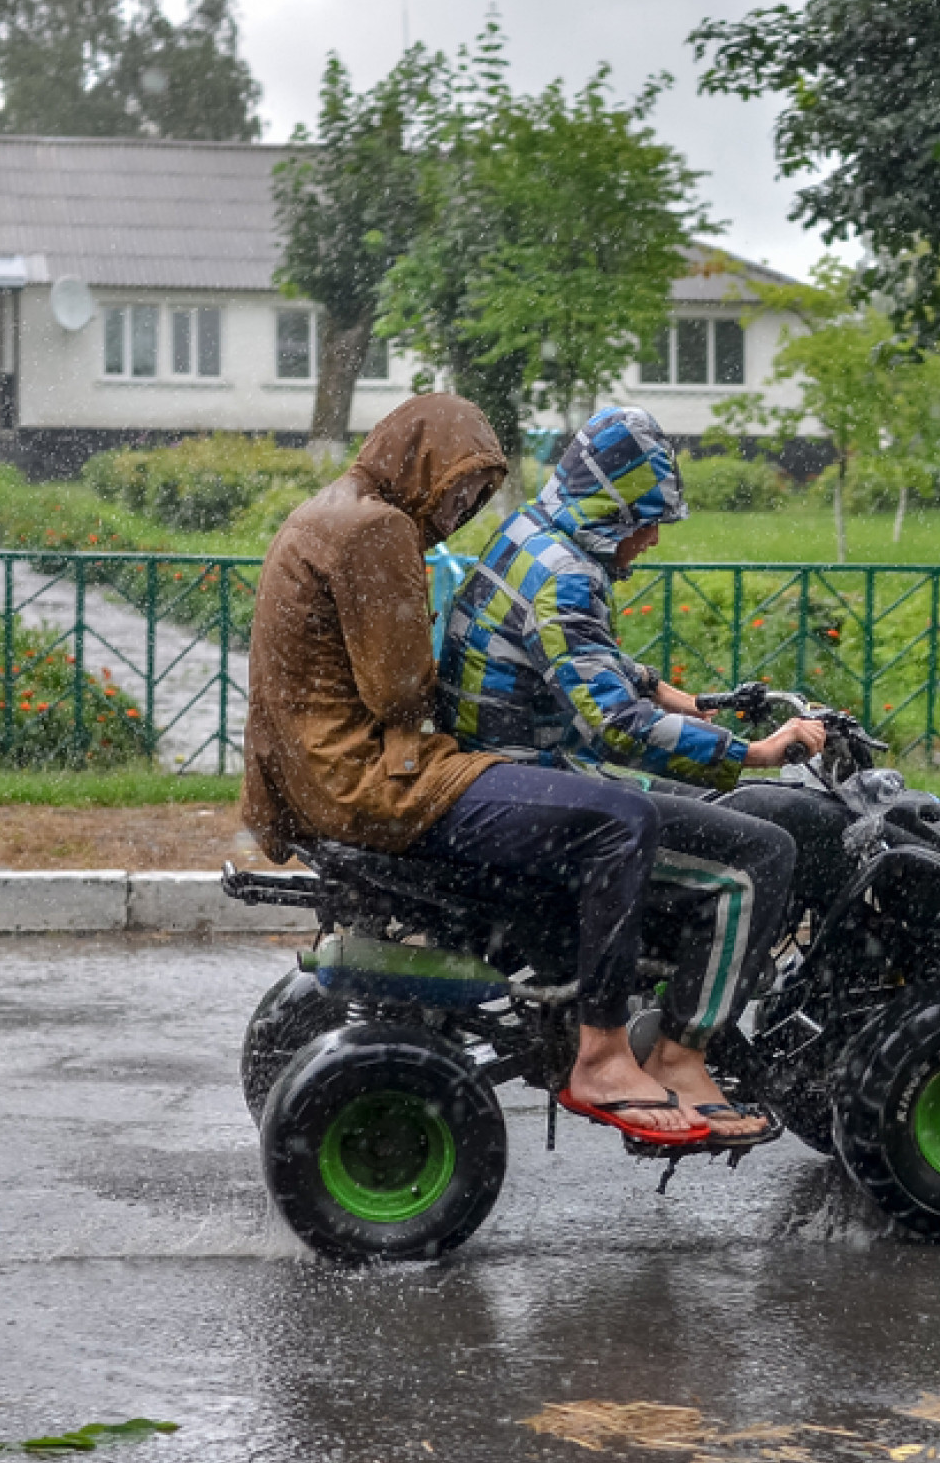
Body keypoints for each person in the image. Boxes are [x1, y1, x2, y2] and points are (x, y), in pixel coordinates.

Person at [241, 395, 699, 1150]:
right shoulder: (379, 528)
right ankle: (606, 1049)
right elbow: (398, 692)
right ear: (419, 463)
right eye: (458, 489)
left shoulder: (330, 509)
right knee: (617, 818)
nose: (459, 511)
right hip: (365, 778)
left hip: (316, 769)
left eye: (478, 496)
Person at [437, 405, 827, 1150]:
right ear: (607, 506)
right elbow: (616, 727)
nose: (648, 540)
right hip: (536, 781)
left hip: (509, 768)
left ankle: (668, 1003)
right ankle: (681, 1056)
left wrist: (699, 703)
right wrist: (755, 754)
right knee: (759, 855)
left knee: (716, 813)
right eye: (644, 521)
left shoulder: (534, 536)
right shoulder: (567, 576)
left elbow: (588, 663)